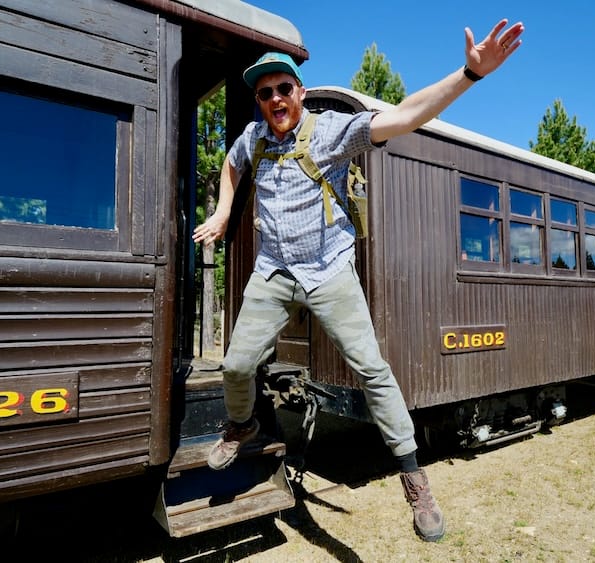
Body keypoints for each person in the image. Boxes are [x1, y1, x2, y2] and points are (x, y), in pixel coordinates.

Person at [193, 18, 524, 543]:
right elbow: (232, 167)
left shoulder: (331, 132)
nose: (275, 99)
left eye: (283, 88)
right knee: (235, 365)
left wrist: (469, 74)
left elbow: (405, 116)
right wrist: (224, 213)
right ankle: (242, 425)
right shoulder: (254, 136)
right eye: (265, 93)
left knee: (372, 369)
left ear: (298, 92)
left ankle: (415, 481)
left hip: (329, 271)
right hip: (274, 271)